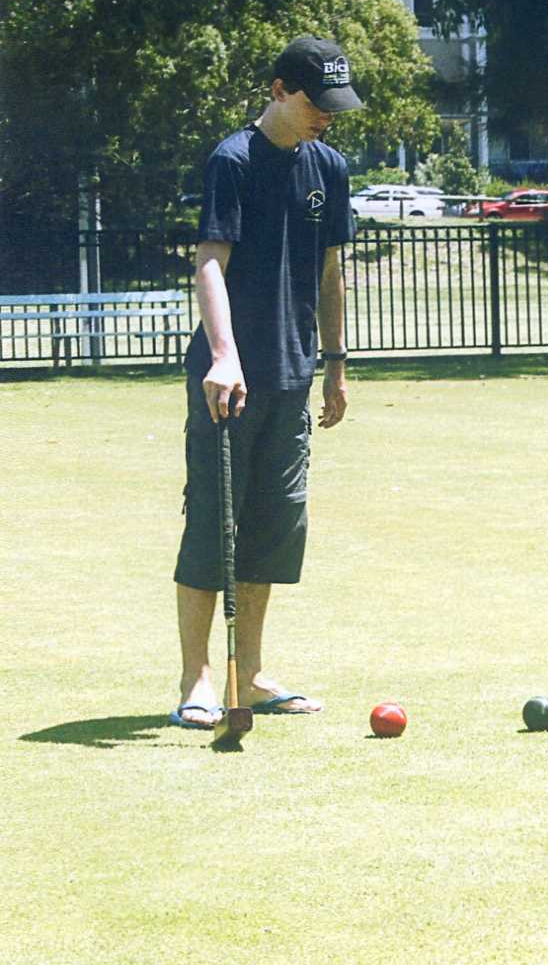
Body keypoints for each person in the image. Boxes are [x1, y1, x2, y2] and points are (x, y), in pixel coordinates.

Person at [168, 37, 360, 728]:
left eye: (334, 107)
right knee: (215, 527)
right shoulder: (233, 160)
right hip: (230, 380)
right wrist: (224, 354)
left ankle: (247, 676)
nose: (326, 117)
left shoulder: (329, 168)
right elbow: (210, 265)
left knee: (275, 530)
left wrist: (334, 365)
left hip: (293, 376)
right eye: (315, 103)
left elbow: (330, 272)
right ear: (280, 90)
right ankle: (197, 680)